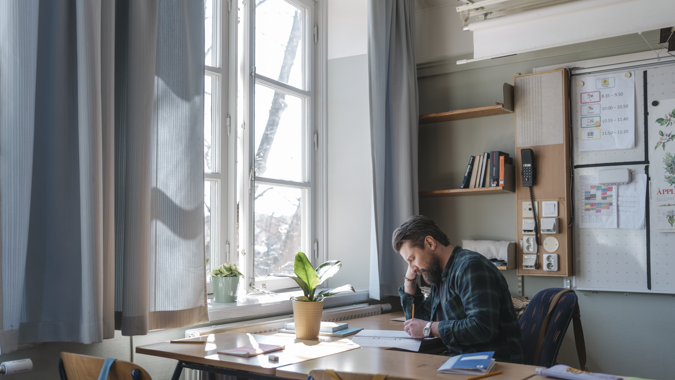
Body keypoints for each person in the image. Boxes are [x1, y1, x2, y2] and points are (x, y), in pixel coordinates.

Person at [394, 215, 524, 363]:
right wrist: (409, 279)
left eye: (412, 259)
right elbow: (419, 322)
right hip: (463, 360)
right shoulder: (440, 275)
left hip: (494, 363)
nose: (413, 268)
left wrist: (429, 328)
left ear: (430, 243)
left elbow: (482, 328)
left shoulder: (470, 267)